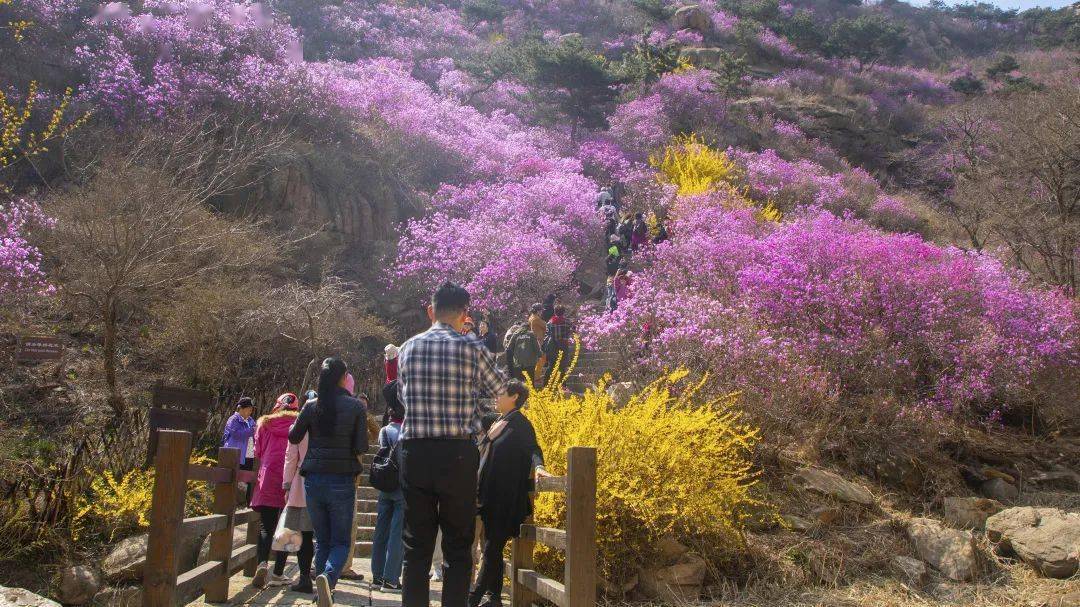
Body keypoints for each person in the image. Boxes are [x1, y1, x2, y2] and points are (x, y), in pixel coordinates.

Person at [397, 282, 514, 607]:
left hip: (416, 451)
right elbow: (501, 388)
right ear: (465, 315)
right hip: (458, 455)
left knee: (416, 546)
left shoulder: (407, 348)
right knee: (459, 547)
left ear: (430, 311)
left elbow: (404, 398)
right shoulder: (473, 348)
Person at [289, 358, 369, 607]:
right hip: (342, 479)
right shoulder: (356, 407)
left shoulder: (313, 405)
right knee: (341, 541)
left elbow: (294, 436)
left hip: (313, 478)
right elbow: (361, 446)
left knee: (322, 539)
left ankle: (322, 591)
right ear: (343, 377)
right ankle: (328, 578)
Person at [470, 381, 548, 607]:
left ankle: (473, 598)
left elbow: (534, 449)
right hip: (488, 496)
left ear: (514, 396)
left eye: (501, 393)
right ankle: (494, 597)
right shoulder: (498, 422)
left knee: (492, 547)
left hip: (506, 498)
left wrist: (540, 467)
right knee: (491, 547)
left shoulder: (521, 424)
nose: (496, 396)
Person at [251, 393, 302, 589]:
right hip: (291, 479)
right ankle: (278, 574)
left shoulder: (264, 424)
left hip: (268, 477)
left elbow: (258, 451)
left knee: (266, 526)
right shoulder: (300, 423)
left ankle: (262, 563)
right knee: (288, 529)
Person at [371, 398, 406, 590]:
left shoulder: (384, 430)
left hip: (385, 484)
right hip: (401, 486)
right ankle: (391, 578)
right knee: (396, 533)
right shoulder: (405, 431)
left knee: (381, 530)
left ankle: (376, 575)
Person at [281, 403, 316, 595]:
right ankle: (325, 576)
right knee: (323, 535)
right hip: (326, 479)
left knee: (305, 535)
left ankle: (304, 578)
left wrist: (286, 483)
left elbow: (290, 457)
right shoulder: (327, 424)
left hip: (302, 482)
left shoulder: (297, 428)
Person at [222, 397, 257, 466]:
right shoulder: (233, 419)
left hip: (248, 455)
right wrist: (252, 430)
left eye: (251, 410)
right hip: (234, 455)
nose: (250, 412)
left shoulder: (251, 420)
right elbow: (236, 435)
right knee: (233, 475)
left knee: (246, 475)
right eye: (248, 409)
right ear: (241, 409)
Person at [544, 305, 573, 384]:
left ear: (554, 312)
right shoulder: (567, 321)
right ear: (563, 312)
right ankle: (562, 384)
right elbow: (573, 330)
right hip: (563, 345)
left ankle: (546, 383)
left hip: (552, 346)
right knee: (563, 366)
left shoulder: (550, 322)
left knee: (551, 365)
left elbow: (546, 334)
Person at [527, 303, 547, 386]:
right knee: (541, 359)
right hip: (539, 341)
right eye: (541, 310)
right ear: (537, 311)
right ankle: (536, 377)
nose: (542, 312)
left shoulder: (531, 317)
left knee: (539, 360)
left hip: (534, 341)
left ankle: (535, 376)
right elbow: (546, 326)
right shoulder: (536, 319)